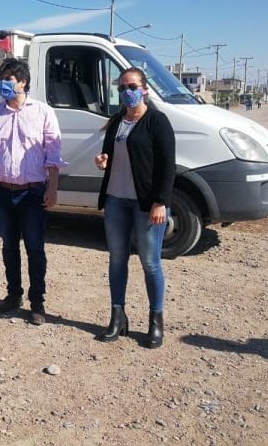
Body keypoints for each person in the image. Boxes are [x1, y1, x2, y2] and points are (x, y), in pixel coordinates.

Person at [0, 58, 66, 326]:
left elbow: (54, 154)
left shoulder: (43, 112)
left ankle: (37, 302)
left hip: (33, 193)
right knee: (9, 246)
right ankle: (13, 295)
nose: (4, 84)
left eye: (9, 79)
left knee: (35, 248)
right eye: (3, 78)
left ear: (23, 82)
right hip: (2, 191)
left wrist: (53, 189)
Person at [94, 68, 175, 348]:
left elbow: (168, 165)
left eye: (132, 86)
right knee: (117, 259)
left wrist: (160, 201)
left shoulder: (157, 121)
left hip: (146, 205)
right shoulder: (117, 121)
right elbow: (108, 154)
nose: (127, 91)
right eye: (122, 87)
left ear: (144, 89)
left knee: (150, 263)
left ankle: (155, 323)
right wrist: (103, 160)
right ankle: (118, 318)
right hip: (116, 199)